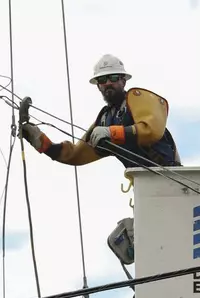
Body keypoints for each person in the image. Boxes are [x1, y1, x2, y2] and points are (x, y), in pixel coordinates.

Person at [18, 53, 182, 268]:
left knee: (169, 242)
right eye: (102, 81)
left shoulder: (137, 99)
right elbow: (75, 154)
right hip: (147, 189)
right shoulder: (106, 118)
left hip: (173, 183)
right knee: (139, 243)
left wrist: (113, 133)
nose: (107, 84)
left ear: (124, 80)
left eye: (113, 78)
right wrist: (40, 141)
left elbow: (152, 129)